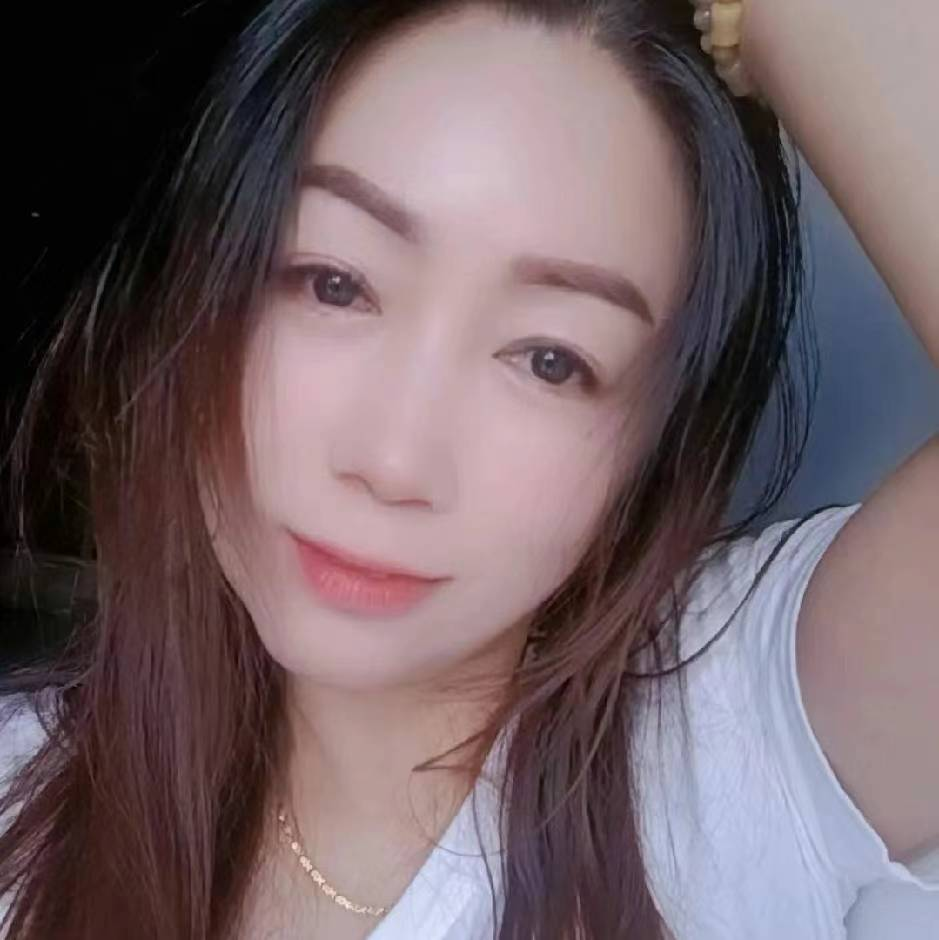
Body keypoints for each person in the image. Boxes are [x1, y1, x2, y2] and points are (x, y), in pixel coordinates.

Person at [0, 0, 936, 937]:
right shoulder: (19, 805)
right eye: (335, 284)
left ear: (654, 442)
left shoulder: (728, 747)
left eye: (550, 361)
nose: (392, 461)